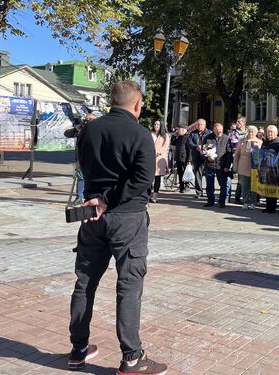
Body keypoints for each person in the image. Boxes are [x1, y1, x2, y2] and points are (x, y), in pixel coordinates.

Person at [67, 80, 167, 374]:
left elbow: (83, 165)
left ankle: (78, 349)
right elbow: (142, 179)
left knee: (85, 282)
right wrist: (108, 200)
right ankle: (132, 357)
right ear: (138, 104)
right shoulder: (139, 133)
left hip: (92, 218)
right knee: (129, 285)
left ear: (112, 101)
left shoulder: (89, 130)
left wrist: (96, 198)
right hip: (127, 218)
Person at [64, 112, 97, 205]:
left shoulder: (98, 129)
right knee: (81, 176)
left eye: (91, 120)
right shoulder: (81, 129)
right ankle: (79, 197)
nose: (88, 122)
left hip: (95, 157)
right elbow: (67, 134)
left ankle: (93, 197)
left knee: (94, 177)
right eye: (87, 119)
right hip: (81, 156)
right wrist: (76, 129)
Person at [203, 123, 232, 208]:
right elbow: (203, 150)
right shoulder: (208, 138)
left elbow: (229, 153)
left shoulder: (226, 138)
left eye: (221, 131)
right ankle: (210, 201)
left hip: (221, 166)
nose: (219, 132)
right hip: (210, 165)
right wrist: (207, 157)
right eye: (218, 131)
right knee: (209, 185)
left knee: (223, 184)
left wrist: (227, 166)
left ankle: (221, 202)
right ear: (214, 130)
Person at [233, 125, 262, 209]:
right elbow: (237, 155)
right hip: (243, 166)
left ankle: (253, 202)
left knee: (253, 186)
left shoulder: (259, 142)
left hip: (254, 167)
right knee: (244, 186)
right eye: (249, 131)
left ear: (256, 133)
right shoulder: (242, 141)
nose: (251, 133)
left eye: (253, 131)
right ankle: (245, 201)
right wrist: (235, 167)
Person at [261, 125, 279, 214]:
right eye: (268, 132)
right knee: (267, 188)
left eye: (271, 132)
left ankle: (272, 208)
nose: (269, 134)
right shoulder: (265, 142)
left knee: (273, 189)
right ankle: (268, 206)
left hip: (274, 169)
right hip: (265, 168)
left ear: (276, 133)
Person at [188, 119, 211, 199]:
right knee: (197, 174)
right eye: (198, 124)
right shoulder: (192, 133)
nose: (200, 126)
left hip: (207, 157)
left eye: (201, 124)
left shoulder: (209, 133)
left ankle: (209, 192)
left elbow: (212, 143)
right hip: (196, 156)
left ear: (205, 125)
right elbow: (189, 143)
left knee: (209, 175)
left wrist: (204, 147)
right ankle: (199, 192)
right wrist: (196, 146)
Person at [149, 120, 169, 203]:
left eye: (158, 124)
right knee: (149, 178)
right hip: (150, 158)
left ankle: (155, 196)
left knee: (157, 178)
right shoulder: (151, 134)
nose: (156, 126)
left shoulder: (165, 136)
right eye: (155, 124)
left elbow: (165, 147)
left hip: (159, 159)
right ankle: (147, 195)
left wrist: (158, 152)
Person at [170, 125, 190, 193]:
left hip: (184, 158)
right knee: (180, 173)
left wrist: (189, 160)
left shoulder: (187, 137)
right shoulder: (179, 137)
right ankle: (181, 187)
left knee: (185, 173)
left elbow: (189, 149)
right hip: (178, 158)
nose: (178, 131)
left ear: (184, 130)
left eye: (179, 129)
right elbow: (173, 143)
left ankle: (187, 186)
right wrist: (174, 136)